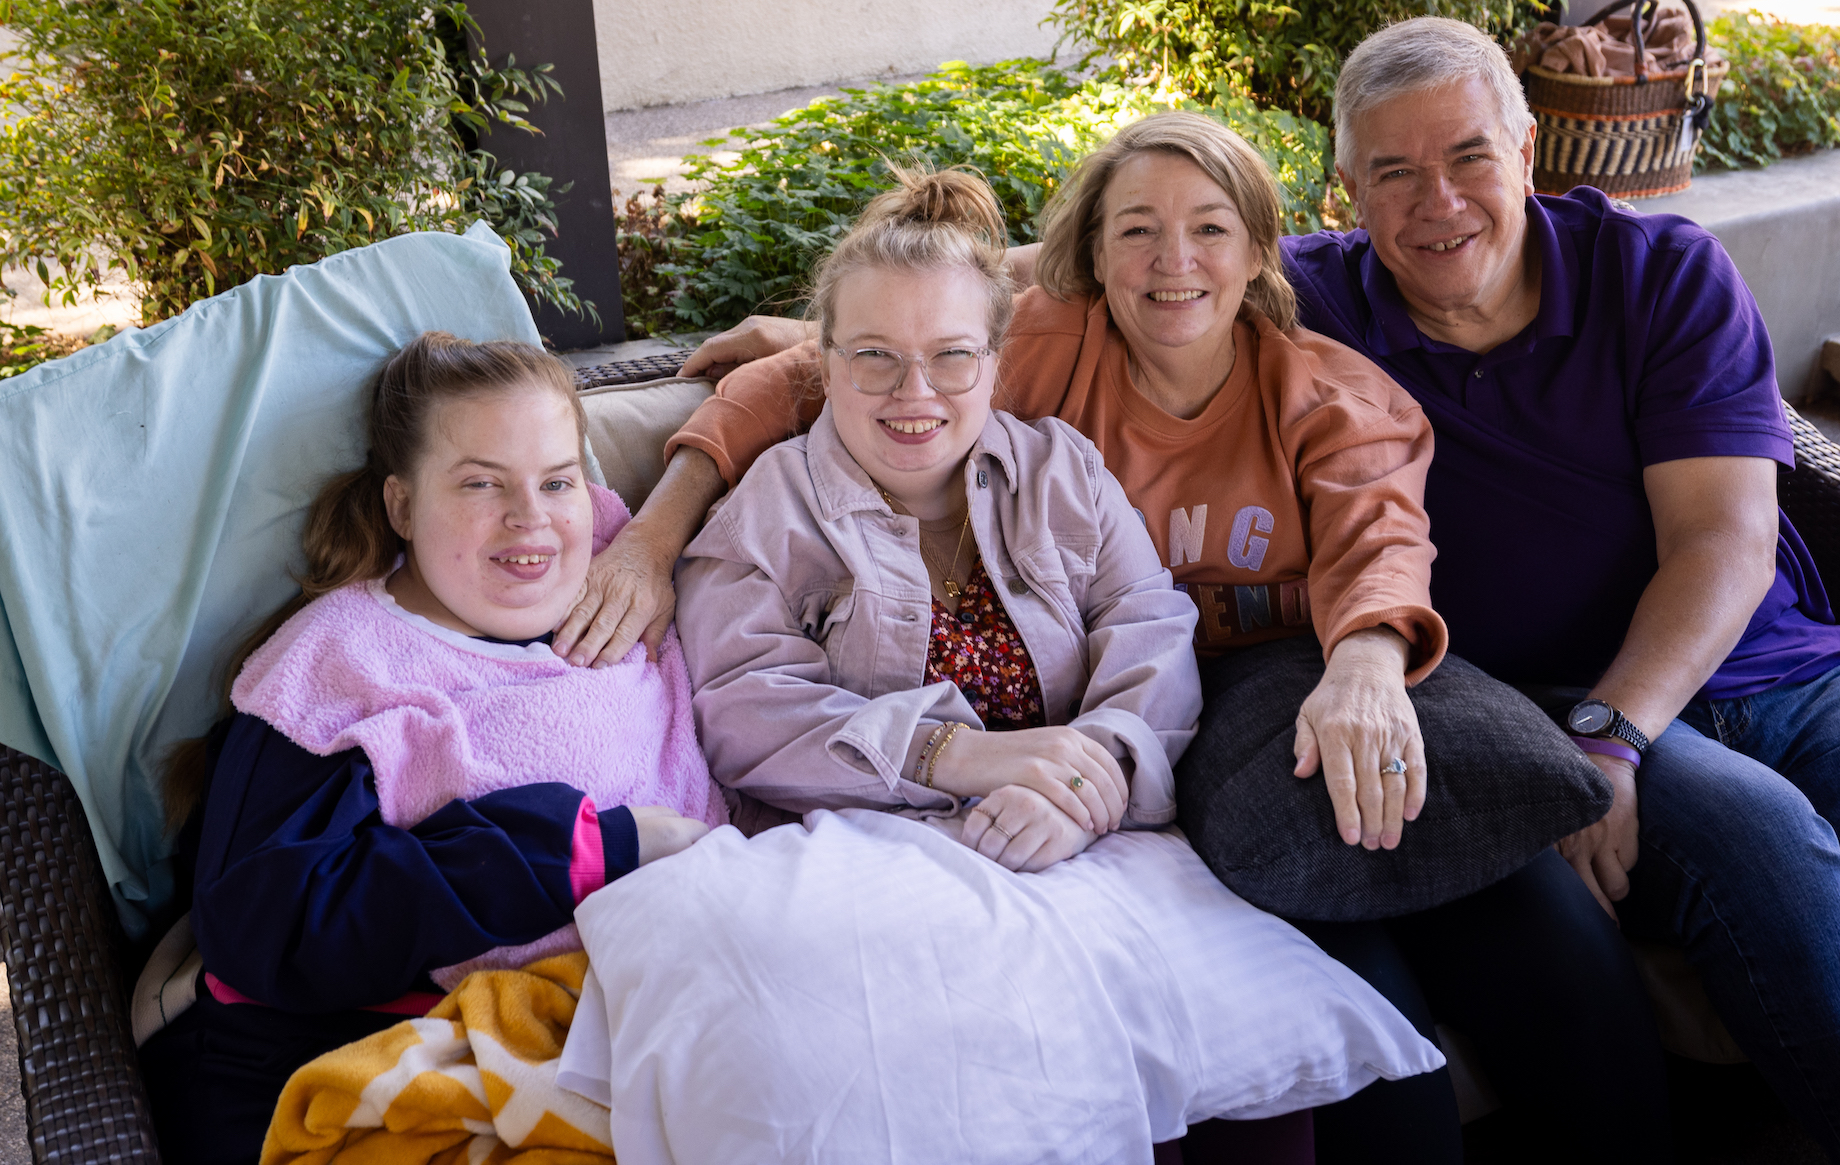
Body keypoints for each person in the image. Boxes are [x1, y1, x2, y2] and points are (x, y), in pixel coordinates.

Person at [558, 120, 1671, 1160]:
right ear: (1086, 260)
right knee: (1343, 990)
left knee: (1445, 980)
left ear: (1257, 252)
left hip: (1196, 752)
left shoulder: (1075, 459)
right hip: (929, 832)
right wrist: (662, 530)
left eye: (1208, 230)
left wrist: (1134, 762)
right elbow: (748, 697)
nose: (1171, 260)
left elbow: (1180, 621)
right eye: (1136, 230)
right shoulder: (818, 480)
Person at [670, 164, 1440, 1158]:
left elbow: (1151, 639)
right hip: (885, 871)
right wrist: (957, 757)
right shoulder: (771, 512)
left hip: (1088, 845)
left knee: (1268, 1091)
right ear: (822, 359)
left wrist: (1095, 778)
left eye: (952, 357)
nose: (915, 395)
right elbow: (738, 707)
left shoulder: (1061, 472)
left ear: (998, 358)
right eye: (874, 358)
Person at [1272, 15, 1840, 1157]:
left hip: (1758, 678)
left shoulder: (1661, 274)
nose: (1439, 201)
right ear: (1345, 193)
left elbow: (1722, 543)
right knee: (1761, 839)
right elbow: (1088, 269)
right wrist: (848, 349)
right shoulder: (1306, 306)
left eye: (1470, 156)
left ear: (1528, 154)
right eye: (1394, 171)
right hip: (1544, 700)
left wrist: (1609, 736)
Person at [141, 332, 723, 1164]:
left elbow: (853, 380)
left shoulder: (621, 580)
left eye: (557, 481)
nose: (530, 517)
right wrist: (590, 848)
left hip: (665, 1007)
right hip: (393, 1052)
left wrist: (659, 535)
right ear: (401, 505)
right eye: (481, 483)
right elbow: (265, 920)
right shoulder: (343, 663)